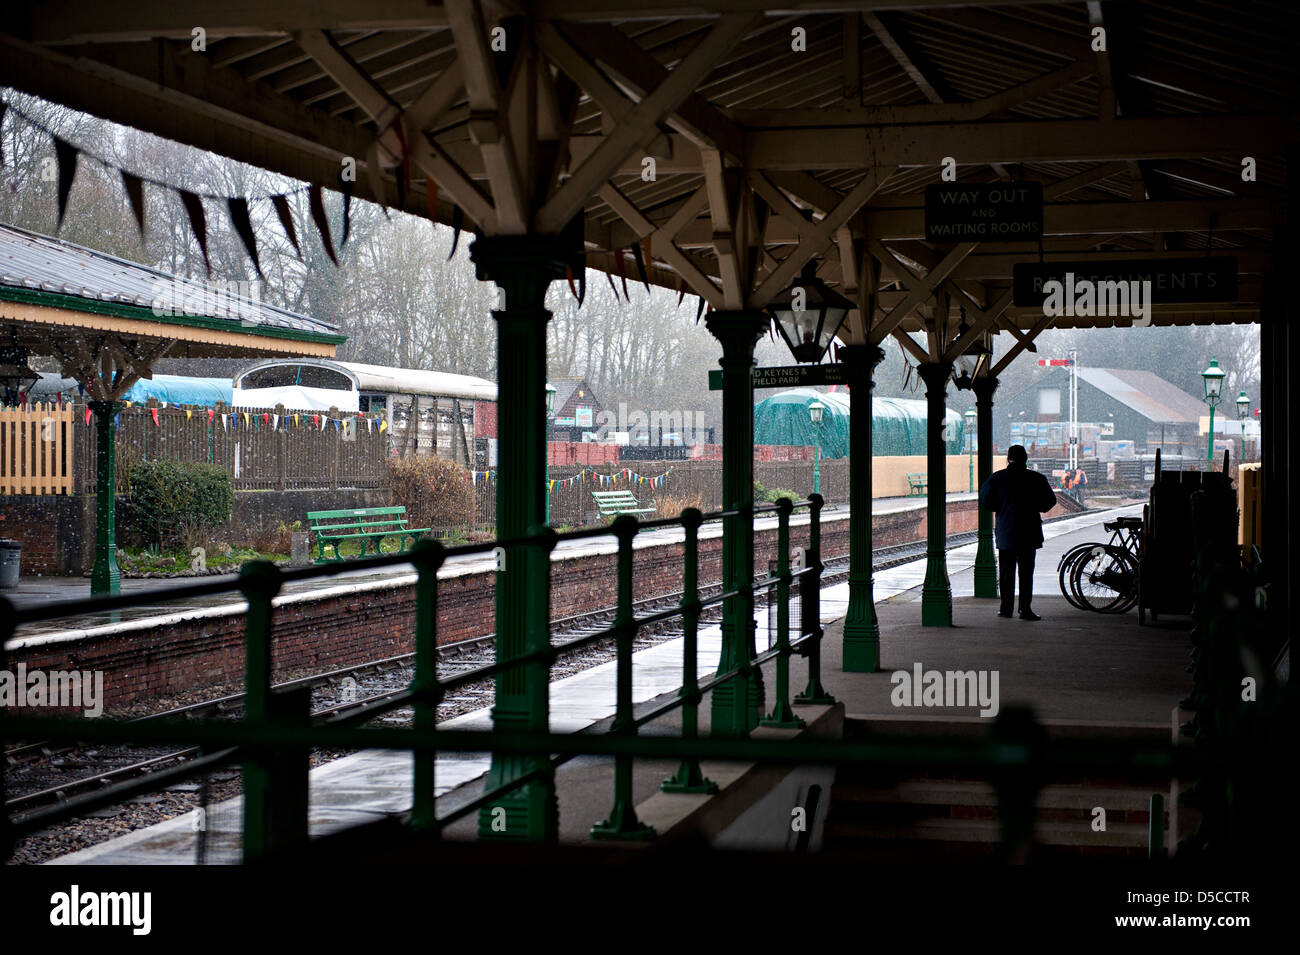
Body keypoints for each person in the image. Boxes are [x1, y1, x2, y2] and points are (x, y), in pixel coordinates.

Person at [978, 444, 1057, 621]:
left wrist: (1001, 507)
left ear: (1008, 458)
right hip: (1029, 532)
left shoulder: (997, 478)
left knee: (1006, 572)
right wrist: (1034, 506)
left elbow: (985, 501)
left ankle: (1006, 608)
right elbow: (1049, 502)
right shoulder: (1036, 478)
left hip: (1006, 532)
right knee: (1026, 573)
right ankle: (1025, 609)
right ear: (1026, 459)